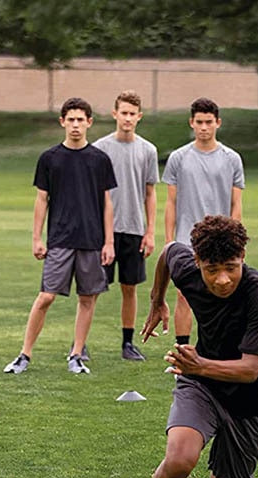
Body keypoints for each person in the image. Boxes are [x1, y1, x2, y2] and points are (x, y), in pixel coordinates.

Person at [116, 215, 258, 478]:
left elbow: (251, 369)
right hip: (201, 385)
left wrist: (198, 363)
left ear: (243, 257)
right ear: (197, 262)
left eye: (231, 268)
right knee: (179, 459)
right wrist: (157, 300)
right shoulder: (184, 265)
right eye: (211, 270)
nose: (222, 279)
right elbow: (167, 254)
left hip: (248, 400)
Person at [4, 97, 116, 375]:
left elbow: (107, 203)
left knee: (88, 298)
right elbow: (41, 200)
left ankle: (76, 355)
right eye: (71, 119)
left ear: (89, 123)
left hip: (91, 241)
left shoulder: (100, 159)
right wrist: (36, 238)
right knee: (45, 297)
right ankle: (24, 355)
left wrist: (109, 241)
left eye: (81, 120)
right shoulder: (49, 158)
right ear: (62, 122)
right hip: (60, 240)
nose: (76, 125)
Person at [161, 97, 245, 353]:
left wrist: (236, 241)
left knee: (223, 294)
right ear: (192, 123)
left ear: (218, 123)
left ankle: (219, 349)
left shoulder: (231, 158)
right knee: (183, 295)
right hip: (187, 239)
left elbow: (236, 204)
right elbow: (171, 203)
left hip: (220, 241)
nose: (204, 127)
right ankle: (182, 350)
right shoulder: (178, 158)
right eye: (199, 122)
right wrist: (169, 243)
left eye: (209, 122)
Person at [94, 90, 159, 361]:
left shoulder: (148, 150)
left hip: (133, 229)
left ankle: (128, 343)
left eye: (133, 114)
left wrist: (150, 231)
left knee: (129, 287)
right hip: (102, 232)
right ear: (114, 114)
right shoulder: (99, 149)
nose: (128, 118)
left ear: (139, 117)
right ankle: (80, 344)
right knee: (92, 288)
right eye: (123, 113)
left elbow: (150, 192)